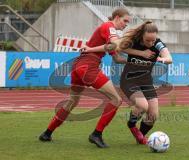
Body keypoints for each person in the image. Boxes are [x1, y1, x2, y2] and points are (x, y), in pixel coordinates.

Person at [39, 8, 131, 148]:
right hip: (88, 67)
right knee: (116, 99)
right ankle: (96, 134)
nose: (126, 24)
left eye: (128, 23)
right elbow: (114, 43)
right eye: (125, 21)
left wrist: (132, 60)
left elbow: (117, 58)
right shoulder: (109, 26)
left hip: (79, 66)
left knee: (72, 101)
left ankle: (47, 133)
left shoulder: (107, 31)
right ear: (117, 17)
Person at [119, 21, 172, 144]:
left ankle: (140, 136)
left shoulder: (157, 44)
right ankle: (132, 125)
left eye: (153, 40)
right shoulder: (133, 40)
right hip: (129, 80)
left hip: (146, 81)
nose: (151, 43)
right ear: (142, 36)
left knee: (153, 115)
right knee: (143, 106)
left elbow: (169, 59)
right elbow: (119, 47)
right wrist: (141, 53)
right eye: (148, 40)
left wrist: (162, 59)